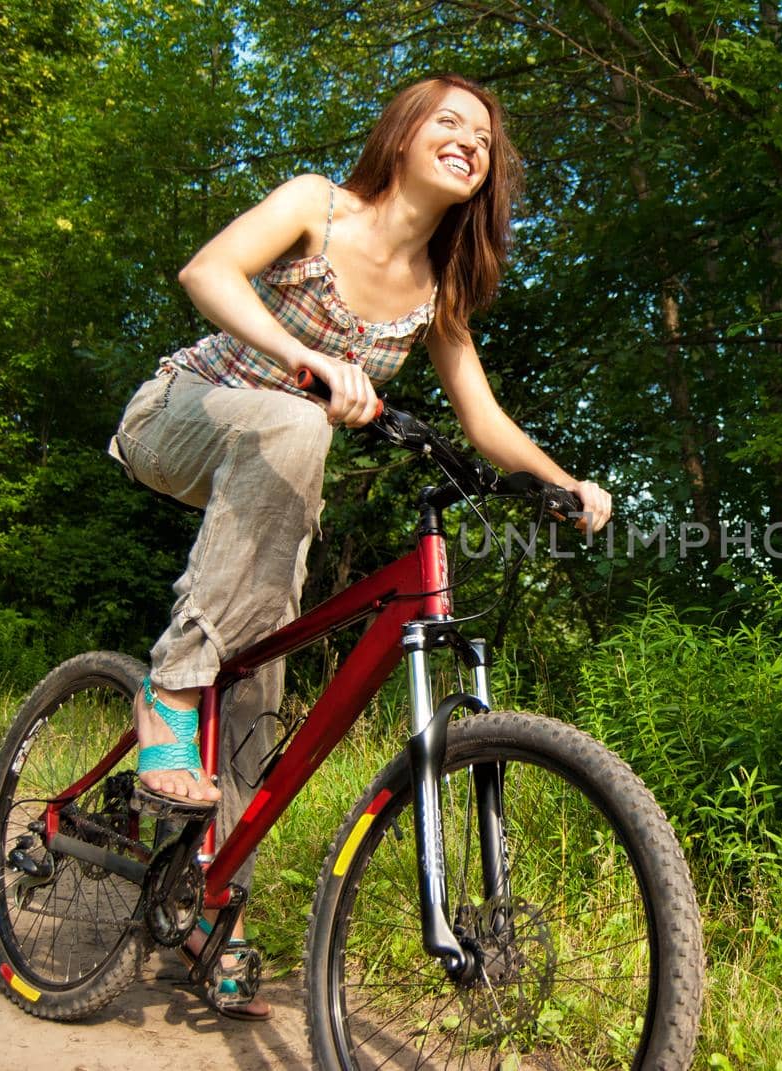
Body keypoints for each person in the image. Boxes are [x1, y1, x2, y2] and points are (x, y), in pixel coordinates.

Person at [108, 74, 611, 1020]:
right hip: (178, 415)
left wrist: (562, 481)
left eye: (485, 136)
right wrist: (311, 363)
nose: (470, 139)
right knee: (298, 428)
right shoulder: (316, 205)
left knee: (265, 658)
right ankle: (170, 684)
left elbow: (486, 419)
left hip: (271, 470)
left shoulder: (440, 293)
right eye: (449, 121)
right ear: (405, 133)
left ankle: (215, 905)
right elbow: (206, 273)